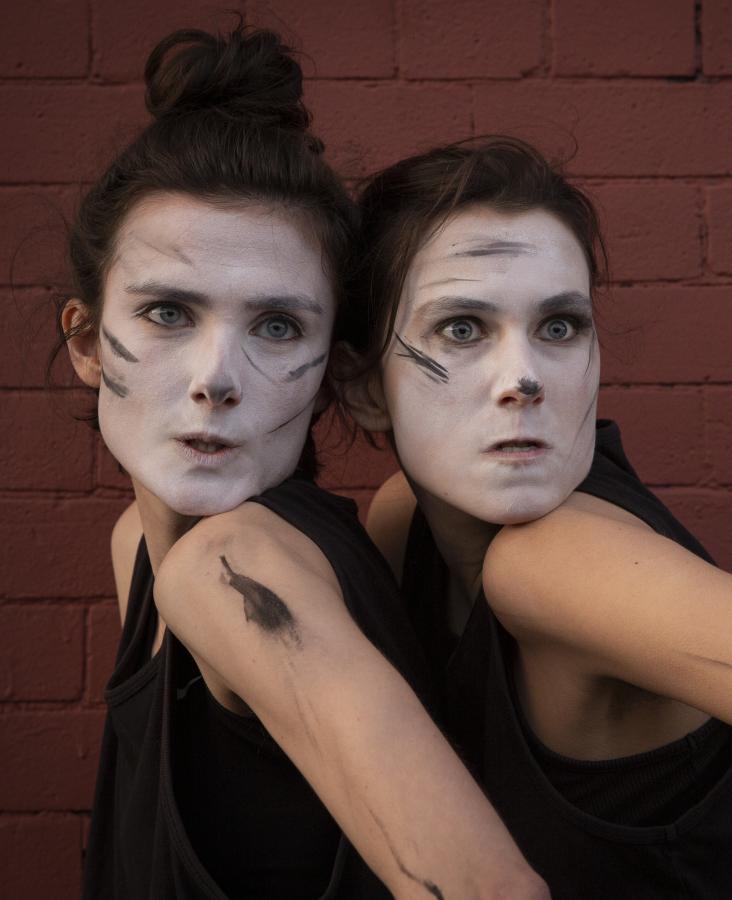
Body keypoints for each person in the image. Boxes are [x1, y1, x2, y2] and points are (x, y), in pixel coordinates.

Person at [339, 136, 732, 898]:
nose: (525, 378)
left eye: (559, 326)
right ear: (367, 388)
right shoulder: (408, 523)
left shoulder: (558, 563)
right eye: (462, 329)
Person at [58, 27, 548, 899]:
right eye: (169, 313)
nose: (216, 379)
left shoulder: (230, 569)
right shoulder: (140, 547)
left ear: (329, 366)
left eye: (277, 327)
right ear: (89, 341)